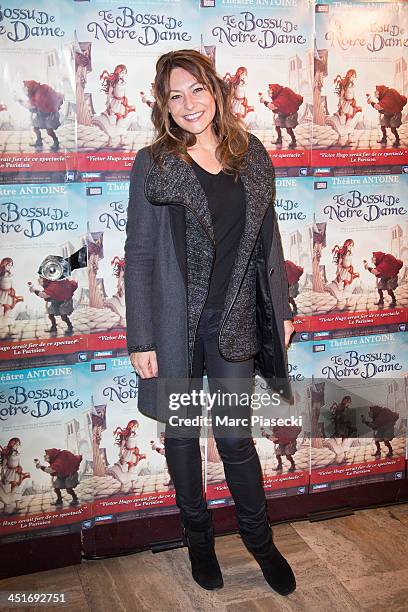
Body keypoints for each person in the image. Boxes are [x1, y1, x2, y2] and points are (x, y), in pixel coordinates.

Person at [124, 49, 296, 596]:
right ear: (164, 106)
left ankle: (258, 540)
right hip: (175, 326)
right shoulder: (155, 163)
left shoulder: (251, 156)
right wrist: (142, 338)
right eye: (175, 96)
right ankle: (197, 536)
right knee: (180, 435)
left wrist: (283, 309)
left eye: (197, 90)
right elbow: (141, 255)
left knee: (234, 437)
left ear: (217, 92)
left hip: (233, 324)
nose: (188, 104)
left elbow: (269, 243)